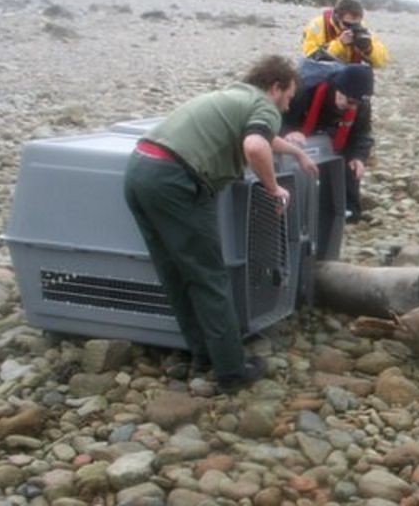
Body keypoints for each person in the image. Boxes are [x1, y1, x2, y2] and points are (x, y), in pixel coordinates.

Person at [123, 55, 318, 394]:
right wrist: (273, 189)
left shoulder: (234, 96)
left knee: (175, 272)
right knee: (209, 277)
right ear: (275, 88)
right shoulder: (264, 106)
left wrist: (297, 152)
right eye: (288, 97)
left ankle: (201, 356)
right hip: (175, 181)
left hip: (140, 171)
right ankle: (231, 370)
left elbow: (263, 136)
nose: (287, 107)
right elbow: (256, 145)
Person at [282, 63, 374, 223]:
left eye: (357, 104)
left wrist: (359, 157)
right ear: (338, 88)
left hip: (334, 136)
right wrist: (288, 132)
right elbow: (277, 117)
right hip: (300, 131)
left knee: (352, 163)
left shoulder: (360, 104)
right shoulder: (304, 90)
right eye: (350, 101)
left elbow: (362, 134)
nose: (352, 106)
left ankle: (347, 211)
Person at [301, 0, 389, 68]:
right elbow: (310, 60)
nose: (352, 28)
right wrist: (339, 44)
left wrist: (368, 49)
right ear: (336, 16)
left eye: (356, 24)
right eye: (347, 24)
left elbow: (382, 62)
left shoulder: (362, 29)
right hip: (324, 73)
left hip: (350, 75)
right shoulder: (317, 26)